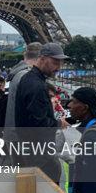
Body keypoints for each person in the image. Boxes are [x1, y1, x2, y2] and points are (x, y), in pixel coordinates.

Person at [14, 43, 69, 182]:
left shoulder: (29, 79)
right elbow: (38, 123)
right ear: (42, 58)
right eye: (55, 62)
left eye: (60, 63)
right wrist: (59, 123)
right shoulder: (37, 85)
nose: (58, 67)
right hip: (39, 154)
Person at [4, 42, 42, 143]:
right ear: (41, 58)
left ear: (25, 55)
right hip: (22, 139)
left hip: (14, 135)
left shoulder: (18, 73)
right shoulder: (27, 77)